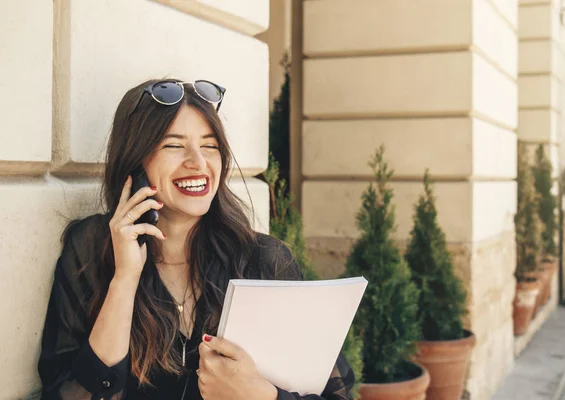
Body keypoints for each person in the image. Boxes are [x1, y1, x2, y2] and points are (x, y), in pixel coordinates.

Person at [37, 79, 355, 400]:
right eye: (174, 146)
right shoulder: (92, 249)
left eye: (209, 146)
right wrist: (125, 280)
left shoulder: (264, 261)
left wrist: (262, 396)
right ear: (137, 161)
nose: (198, 162)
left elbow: (336, 394)